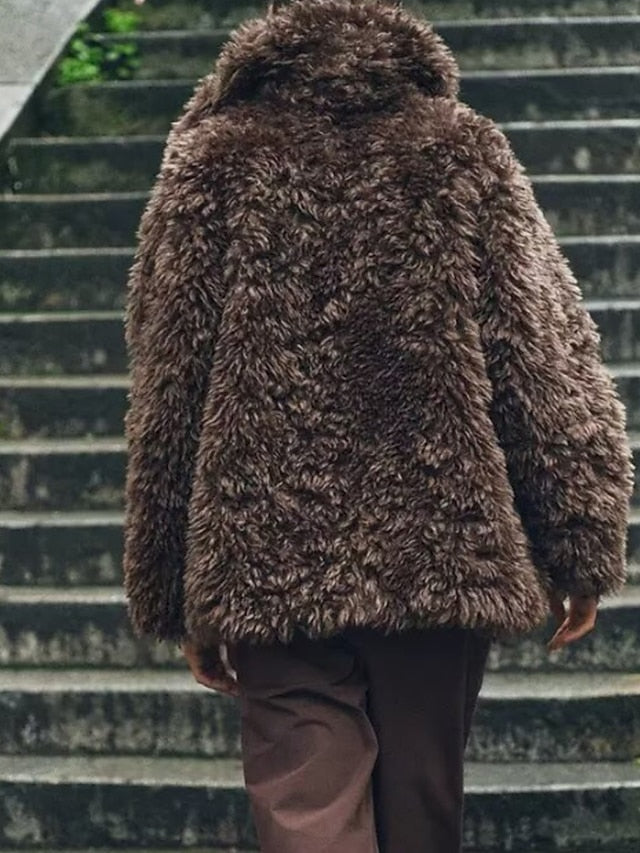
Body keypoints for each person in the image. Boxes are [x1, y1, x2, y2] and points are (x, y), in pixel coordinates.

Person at [121, 1, 635, 851]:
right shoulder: (462, 147)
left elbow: (169, 382)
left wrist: (173, 579)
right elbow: (540, 352)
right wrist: (580, 534)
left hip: (264, 546)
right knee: (420, 798)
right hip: (439, 539)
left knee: (304, 802)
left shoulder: (211, 157)